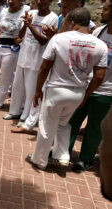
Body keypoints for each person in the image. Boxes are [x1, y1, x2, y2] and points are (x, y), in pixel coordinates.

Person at [26, 8, 107, 170]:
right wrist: (86, 94)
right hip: (77, 92)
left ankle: (39, 160)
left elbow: (44, 67)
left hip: (56, 90)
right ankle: (62, 156)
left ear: (72, 22)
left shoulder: (59, 39)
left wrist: (37, 90)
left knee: (46, 127)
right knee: (64, 125)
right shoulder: (100, 45)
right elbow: (99, 76)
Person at [68, 0, 112, 173]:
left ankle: (85, 159)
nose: (102, 11)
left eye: (106, 9)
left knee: (94, 127)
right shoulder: (99, 31)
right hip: (86, 86)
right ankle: (62, 151)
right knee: (73, 120)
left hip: (106, 91)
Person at [3, 0, 58, 123]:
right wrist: (25, 25)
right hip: (23, 56)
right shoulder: (32, 12)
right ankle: (14, 112)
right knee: (17, 87)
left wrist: (31, 26)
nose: (39, 2)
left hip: (36, 61)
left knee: (31, 90)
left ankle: (26, 116)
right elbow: (21, 34)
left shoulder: (53, 18)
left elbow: (44, 41)